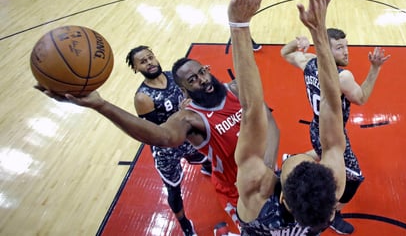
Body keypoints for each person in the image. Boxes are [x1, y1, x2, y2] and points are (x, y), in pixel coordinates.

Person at [36, 45, 280, 234]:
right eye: (192, 80)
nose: (202, 80)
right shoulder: (186, 117)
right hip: (236, 188)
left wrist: (268, 165)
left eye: (202, 72)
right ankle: (186, 223)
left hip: (266, 172)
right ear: (184, 90)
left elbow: (267, 117)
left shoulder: (235, 89)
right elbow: (162, 136)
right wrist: (101, 105)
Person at [229, 0, 347, 235]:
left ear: (282, 198)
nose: (303, 157)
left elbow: (251, 109)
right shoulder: (333, 189)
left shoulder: (257, 193)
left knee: (266, 122)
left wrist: (239, 26)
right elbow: (331, 102)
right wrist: (319, 32)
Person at [280, 32, 390, 234]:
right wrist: (375, 68)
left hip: (315, 128)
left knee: (323, 154)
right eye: (339, 48)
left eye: (346, 45)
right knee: (354, 178)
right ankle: (330, 213)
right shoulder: (343, 77)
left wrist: (297, 42)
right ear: (325, 51)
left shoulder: (309, 62)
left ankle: (296, 158)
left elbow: (285, 52)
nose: (346, 51)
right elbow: (362, 98)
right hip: (333, 135)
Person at [126, 45, 213, 236]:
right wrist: (182, 112)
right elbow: (156, 133)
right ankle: (184, 224)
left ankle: (206, 167)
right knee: (174, 191)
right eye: (143, 61)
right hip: (167, 150)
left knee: (208, 156)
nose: (149, 63)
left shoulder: (174, 77)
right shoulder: (143, 98)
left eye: (150, 57)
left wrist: (203, 81)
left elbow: (194, 96)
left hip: (189, 138)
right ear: (136, 68)